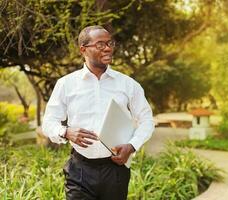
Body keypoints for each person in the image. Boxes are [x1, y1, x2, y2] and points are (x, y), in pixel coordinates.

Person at [42, 25, 154, 200]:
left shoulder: (128, 84)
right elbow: (49, 122)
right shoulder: (66, 84)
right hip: (79, 170)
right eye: (100, 44)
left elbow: (147, 120)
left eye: (110, 43)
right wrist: (65, 132)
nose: (108, 48)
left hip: (115, 170)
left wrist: (131, 146)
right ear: (83, 49)